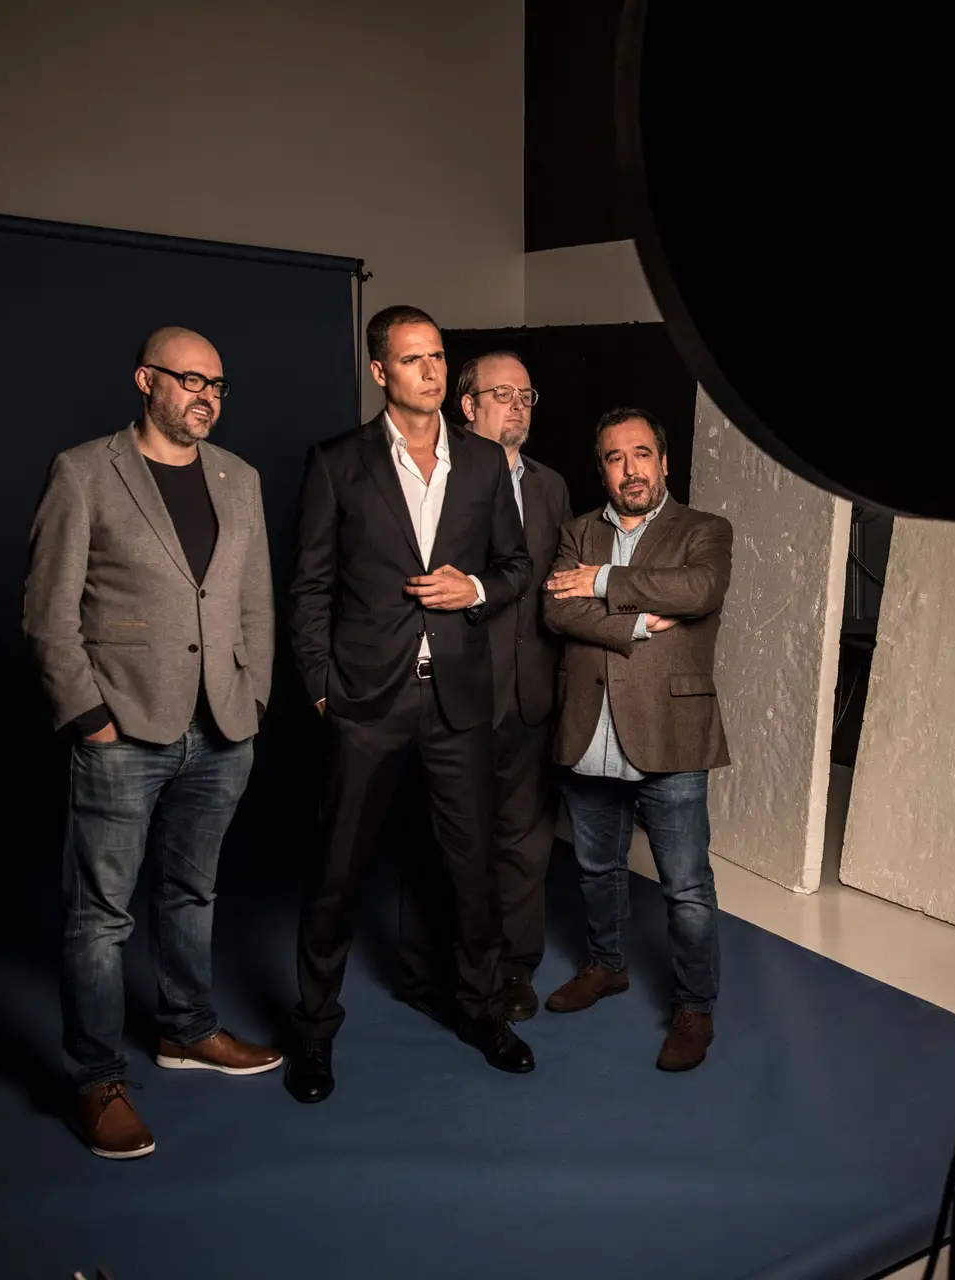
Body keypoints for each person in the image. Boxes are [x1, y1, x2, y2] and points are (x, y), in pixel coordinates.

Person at [23, 326, 282, 1160]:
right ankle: (96, 1080)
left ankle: (187, 1029)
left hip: (223, 729)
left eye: (217, 384)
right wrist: (88, 717)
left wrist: (254, 696)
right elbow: (48, 611)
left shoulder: (239, 477)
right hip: (122, 731)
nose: (206, 396)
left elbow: (255, 602)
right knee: (99, 917)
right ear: (146, 380)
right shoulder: (84, 471)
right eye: (190, 380)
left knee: (192, 892)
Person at [285, 305, 536, 1102]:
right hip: (365, 702)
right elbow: (309, 586)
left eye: (437, 357)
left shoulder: (485, 462)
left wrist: (476, 590)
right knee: (337, 874)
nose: (431, 371)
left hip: (457, 702)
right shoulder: (337, 463)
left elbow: (517, 566)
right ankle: (315, 1031)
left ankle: (483, 1010)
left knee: (472, 871)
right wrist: (321, 687)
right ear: (379, 371)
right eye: (412, 359)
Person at [542, 407, 734, 1071]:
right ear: (601, 469)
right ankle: (607, 966)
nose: (631, 469)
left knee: (686, 887)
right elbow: (555, 610)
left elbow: (698, 590)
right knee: (596, 870)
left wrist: (601, 582)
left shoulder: (704, 530)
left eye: (642, 453)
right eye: (616, 457)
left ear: (664, 461)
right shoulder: (576, 531)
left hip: (670, 731)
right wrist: (638, 624)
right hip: (590, 730)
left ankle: (695, 1006)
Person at [397, 352, 571, 1024]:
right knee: (443, 837)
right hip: (458, 688)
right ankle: (428, 967)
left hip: (531, 693)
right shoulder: (437, 474)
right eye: (502, 394)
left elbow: (553, 587)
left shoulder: (551, 487)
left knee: (524, 841)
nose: (517, 406)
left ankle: (513, 967)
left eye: (526, 395)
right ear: (467, 406)